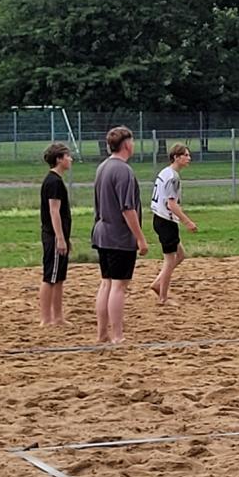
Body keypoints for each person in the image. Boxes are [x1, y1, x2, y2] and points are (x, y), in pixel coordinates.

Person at [91, 126, 148, 344]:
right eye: (132, 141)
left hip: (102, 233)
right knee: (119, 286)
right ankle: (117, 336)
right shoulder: (123, 171)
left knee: (106, 283)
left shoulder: (102, 167)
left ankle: (102, 334)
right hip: (118, 236)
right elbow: (128, 209)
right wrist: (140, 238)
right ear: (126, 145)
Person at [149, 143, 198, 306]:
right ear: (176, 157)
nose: (189, 158)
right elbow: (172, 205)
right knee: (169, 261)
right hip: (166, 222)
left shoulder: (165, 172)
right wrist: (187, 222)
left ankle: (158, 283)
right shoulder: (173, 177)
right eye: (186, 155)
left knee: (181, 255)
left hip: (159, 218)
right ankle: (163, 297)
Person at [38, 142, 74, 326]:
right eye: (67, 156)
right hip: (53, 236)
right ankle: (46, 319)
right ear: (59, 159)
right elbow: (54, 211)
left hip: (59, 236)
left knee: (59, 278)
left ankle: (58, 317)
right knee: (50, 278)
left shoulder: (56, 180)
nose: (70, 159)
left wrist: (65, 238)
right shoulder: (53, 182)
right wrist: (59, 238)